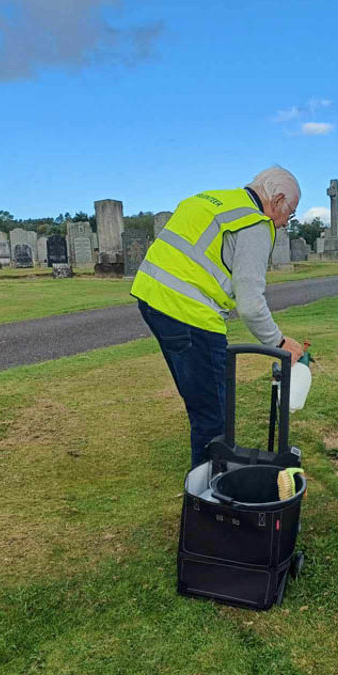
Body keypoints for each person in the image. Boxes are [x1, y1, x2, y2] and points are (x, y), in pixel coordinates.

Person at [131, 166, 305, 467]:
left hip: (151, 298)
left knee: (200, 401)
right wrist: (280, 341)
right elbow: (250, 303)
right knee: (212, 417)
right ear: (276, 200)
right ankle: (208, 495)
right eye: (289, 213)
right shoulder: (256, 223)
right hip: (191, 314)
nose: (286, 222)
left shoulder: (214, 198)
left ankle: (208, 482)